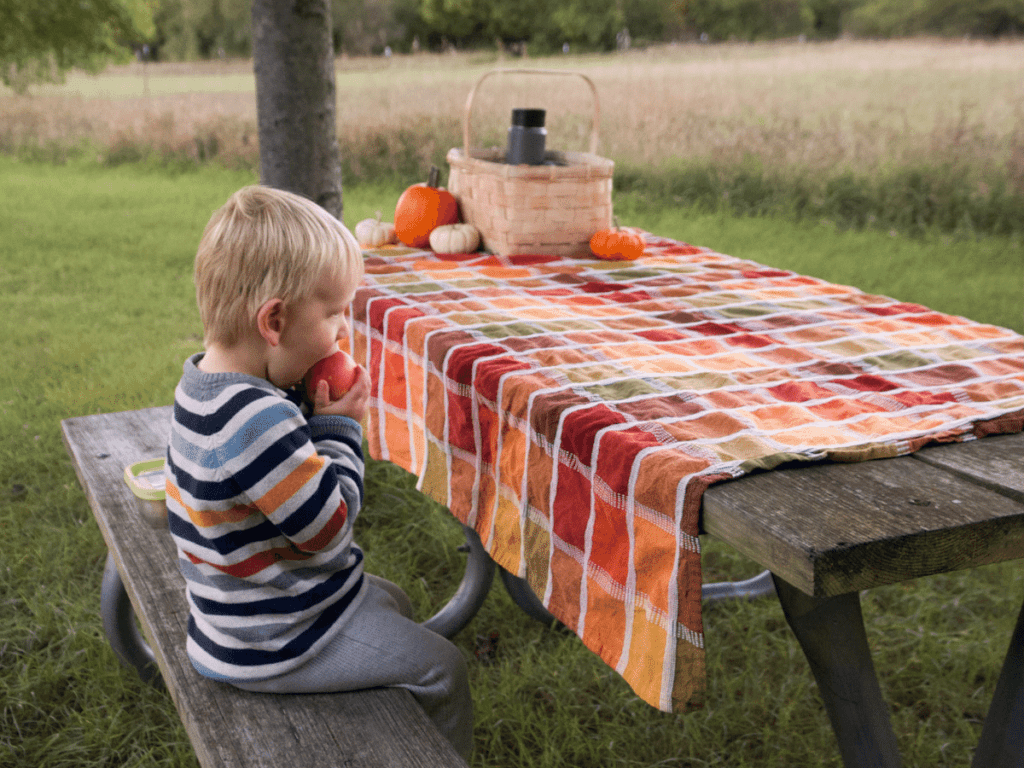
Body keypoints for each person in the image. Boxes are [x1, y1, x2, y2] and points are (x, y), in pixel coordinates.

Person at [164, 185, 473, 759]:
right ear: (274, 320)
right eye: (333, 315)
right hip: (274, 641)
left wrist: (302, 407)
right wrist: (338, 428)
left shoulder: (204, 385)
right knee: (443, 667)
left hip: (234, 613)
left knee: (396, 601)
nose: (342, 332)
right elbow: (329, 531)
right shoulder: (258, 419)